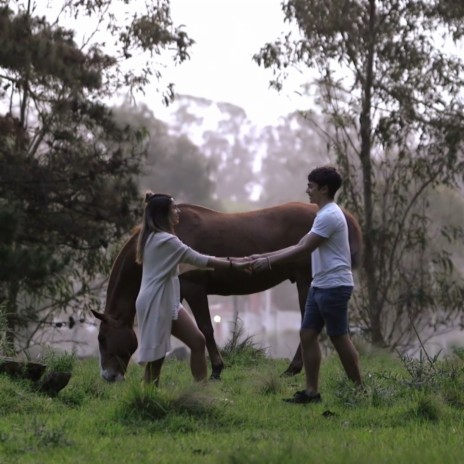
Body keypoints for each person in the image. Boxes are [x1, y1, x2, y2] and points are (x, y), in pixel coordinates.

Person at [251, 166, 363, 403]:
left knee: (339, 337)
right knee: (307, 334)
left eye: (311, 186)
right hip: (320, 284)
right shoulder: (322, 214)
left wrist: (268, 261)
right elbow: (300, 243)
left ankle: (359, 391)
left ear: (324, 189)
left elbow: (304, 248)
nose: (307, 190)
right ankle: (311, 392)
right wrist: (259, 258)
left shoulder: (330, 215)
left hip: (334, 286)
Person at [135, 192, 249, 386]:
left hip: (167, 299)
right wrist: (233, 264)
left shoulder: (156, 239)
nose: (178, 211)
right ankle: (146, 401)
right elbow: (198, 259)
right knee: (156, 359)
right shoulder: (165, 241)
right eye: (174, 208)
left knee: (197, 341)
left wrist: (236, 261)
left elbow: (186, 265)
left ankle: (200, 395)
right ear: (164, 214)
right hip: (156, 301)